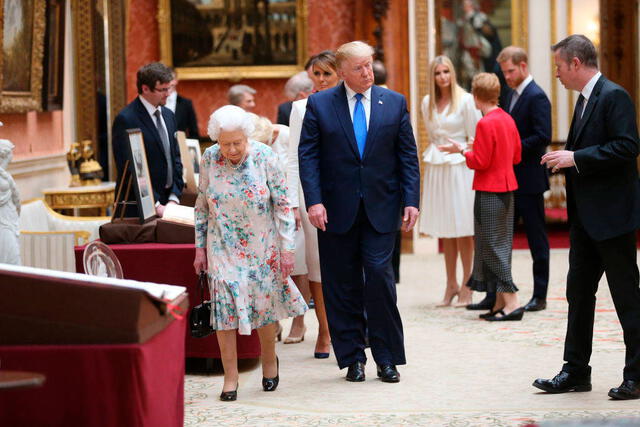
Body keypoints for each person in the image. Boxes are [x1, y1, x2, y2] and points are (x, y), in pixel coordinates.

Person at [299, 41, 420, 383]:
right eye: (359, 68)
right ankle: (352, 357)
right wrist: (314, 200)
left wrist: (412, 200)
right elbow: (308, 156)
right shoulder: (320, 104)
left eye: (369, 65)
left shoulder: (393, 102)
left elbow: (407, 156)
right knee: (342, 283)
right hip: (335, 209)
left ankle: (386, 356)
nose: (368, 72)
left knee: (380, 278)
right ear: (342, 73)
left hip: (383, 206)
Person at [535, 35, 640, 400]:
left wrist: (575, 157)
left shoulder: (614, 96)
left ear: (576, 64)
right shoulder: (584, 101)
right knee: (579, 294)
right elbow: (593, 150)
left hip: (612, 217)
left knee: (627, 298)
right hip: (585, 219)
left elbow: (627, 146)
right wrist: (564, 158)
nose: (558, 74)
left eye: (560, 67)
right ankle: (576, 371)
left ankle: (637, 376)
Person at [193, 105, 307, 401]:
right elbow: (202, 206)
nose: (231, 149)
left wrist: (287, 250)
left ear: (247, 136)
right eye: (225, 143)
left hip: (262, 244)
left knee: (263, 307)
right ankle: (231, 377)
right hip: (222, 245)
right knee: (224, 310)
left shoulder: (265, 157)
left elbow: (283, 206)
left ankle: (269, 359)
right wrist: (199, 249)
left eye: (237, 143)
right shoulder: (208, 158)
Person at [439, 72, 523, 321]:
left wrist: (464, 150)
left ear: (476, 97)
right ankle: (499, 302)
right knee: (500, 245)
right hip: (508, 189)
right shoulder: (507, 118)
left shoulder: (485, 123)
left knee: (492, 247)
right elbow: (516, 156)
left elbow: (480, 162)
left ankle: (512, 302)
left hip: (489, 191)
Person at [285, 51, 338, 357]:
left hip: (344, 192)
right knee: (316, 267)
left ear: (339, 75)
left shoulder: (351, 103)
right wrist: (293, 202)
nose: (319, 80)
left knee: (348, 263)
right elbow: (293, 158)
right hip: (311, 195)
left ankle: (350, 327)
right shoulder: (300, 108)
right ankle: (325, 331)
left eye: (326, 74)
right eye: (315, 74)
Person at [419, 55, 481, 307]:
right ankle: (450, 284)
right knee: (446, 230)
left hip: (460, 169)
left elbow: (476, 137)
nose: (442, 77)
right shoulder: (427, 102)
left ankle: (468, 283)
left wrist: (460, 150)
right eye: (437, 73)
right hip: (437, 168)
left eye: (446, 72)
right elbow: (431, 135)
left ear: (452, 73)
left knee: (463, 229)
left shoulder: (465, 100)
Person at [497, 46, 551, 313]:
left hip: (529, 179)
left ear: (523, 66)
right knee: (503, 238)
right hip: (509, 177)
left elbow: (542, 136)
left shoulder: (537, 96)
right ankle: (499, 294)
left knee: (536, 239)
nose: (506, 76)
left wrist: (512, 147)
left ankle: (539, 295)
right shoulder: (510, 95)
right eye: (504, 72)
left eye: (510, 71)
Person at [112, 62, 184, 217]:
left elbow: (176, 159)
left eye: (169, 88)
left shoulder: (168, 115)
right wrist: (156, 204)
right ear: (145, 89)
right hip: (139, 210)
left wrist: (173, 198)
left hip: (168, 204)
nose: (168, 94)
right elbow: (131, 169)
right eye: (162, 90)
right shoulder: (126, 119)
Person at [0, 137, 20, 265]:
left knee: (14, 256)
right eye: (11, 152)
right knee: (9, 255)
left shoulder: (5, 176)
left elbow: (16, 199)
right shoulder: (4, 178)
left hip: (10, 218)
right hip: (3, 222)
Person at [166, 69, 200, 139]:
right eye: (165, 79)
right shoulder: (156, 103)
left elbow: (194, 132)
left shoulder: (186, 104)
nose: (168, 82)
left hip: (181, 147)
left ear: (176, 80)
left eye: (171, 79)